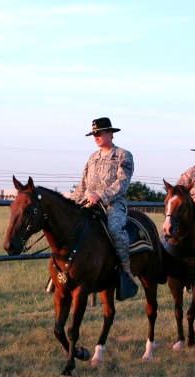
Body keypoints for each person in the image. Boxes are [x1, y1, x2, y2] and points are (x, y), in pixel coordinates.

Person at [70, 117, 138, 301]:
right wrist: (69, 202)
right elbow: (82, 186)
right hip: (88, 202)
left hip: (112, 203)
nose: (96, 137)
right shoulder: (93, 157)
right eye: (94, 134)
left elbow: (122, 183)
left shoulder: (124, 155)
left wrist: (100, 195)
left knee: (116, 230)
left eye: (99, 133)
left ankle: (125, 271)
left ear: (110, 133)